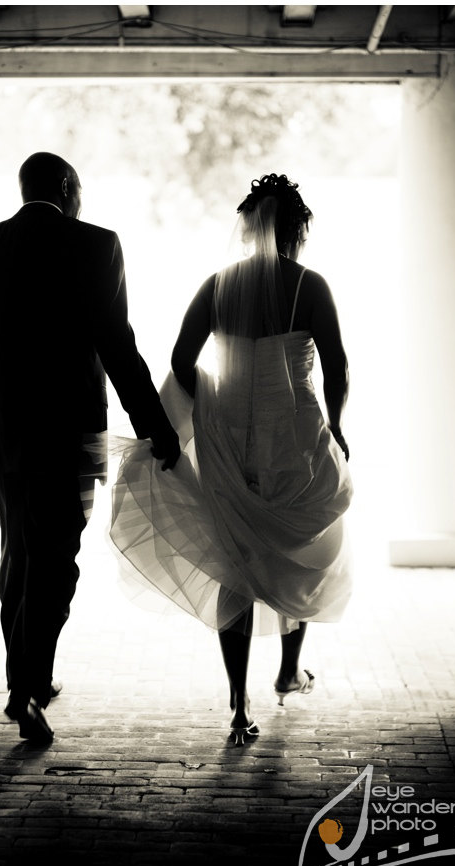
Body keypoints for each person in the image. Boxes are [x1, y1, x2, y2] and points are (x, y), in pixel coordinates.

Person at [0, 151, 181, 743]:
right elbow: (117, 347)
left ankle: (23, 682)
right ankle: (28, 689)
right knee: (55, 559)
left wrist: (3, 370)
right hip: (72, 430)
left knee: (19, 552)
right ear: (70, 188)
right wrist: (156, 426)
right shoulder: (97, 245)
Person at [107, 174, 352, 746]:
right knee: (304, 546)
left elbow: (180, 358)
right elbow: (338, 367)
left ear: (248, 227)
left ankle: (240, 706)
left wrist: (213, 408)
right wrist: (337, 424)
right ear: (295, 231)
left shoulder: (217, 285)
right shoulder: (310, 286)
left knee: (236, 557)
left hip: (231, 439)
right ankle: (290, 670)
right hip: (293, 434)